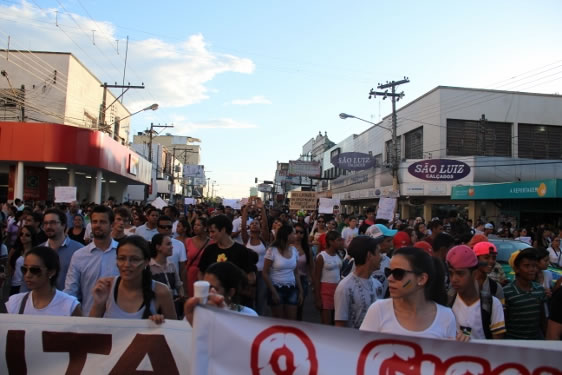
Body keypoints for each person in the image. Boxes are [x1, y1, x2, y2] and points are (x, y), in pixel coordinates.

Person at [360, 247, 456, 339]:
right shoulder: (378, 310)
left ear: (422, 279)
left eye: (398, 274)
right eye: (388, 272)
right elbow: (361, 351)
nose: (389, 278)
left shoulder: (446, 316)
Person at [89, 236, 176, 322]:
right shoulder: (107, 286)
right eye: (122, 258)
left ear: (146, 262)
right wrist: (98, 304)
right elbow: (90, 329)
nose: (126, 264)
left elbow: (173, 332)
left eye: (134, 259)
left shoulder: (161, 292)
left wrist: (160, 324)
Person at [64, 205, 120, 315]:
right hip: (88, 319)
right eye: (95, 222)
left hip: (119, 321)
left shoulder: (123, 254)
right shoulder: (79, 256)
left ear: (112, 225)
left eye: (103, 222)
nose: (98, 225)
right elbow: (71, 291)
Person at [446, 245, 505, 340]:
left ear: (474, 274)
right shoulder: (446, 302)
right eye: (451, 273)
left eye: (460, 273)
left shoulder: (493, 304)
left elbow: (497, 347)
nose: (454, 279)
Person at [4, 246, 81, 316]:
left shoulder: (69, 305)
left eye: (34, 270)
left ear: (51, 272)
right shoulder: (15, 302)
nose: (28, 275)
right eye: (24, 269)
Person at [197, 215, 258, 300]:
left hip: (235, 302)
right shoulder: (209, 250)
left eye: (213, 232)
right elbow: (201, 272)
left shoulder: (241, 251)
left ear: (223, 230)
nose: (210, 235)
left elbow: (251, 278)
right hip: (213, 301)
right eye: (209, 232)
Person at [334, 236, 383, 329]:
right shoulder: (345, 287)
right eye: (378, 252)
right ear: (369, 255)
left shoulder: (378, 285)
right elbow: (340, 326)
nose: (381, 257)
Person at [504, 249, 547, 339]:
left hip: (535, 341)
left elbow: (543, 318)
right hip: (513, 343)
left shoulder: (539, 290)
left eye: (534, 266)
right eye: (527, 266)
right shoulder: (507, 292)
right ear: (516, 269)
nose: (532, 269)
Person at [262, 224, 303, 320]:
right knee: (278, 320)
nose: (296, 235)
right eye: (293, 233)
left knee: (292, 320)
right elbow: (265, 272)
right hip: (276, 288)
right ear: (287, 235)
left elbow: (296, 272)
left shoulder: (294, 250)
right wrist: (273, 291)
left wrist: (300, 290)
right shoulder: (272, 251)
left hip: (292, 288)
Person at [39, 208, 84, 291]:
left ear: (63, 225)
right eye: (45, 223)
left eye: (53, 223)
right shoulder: (38, 251)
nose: (48, 226)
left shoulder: (79, 250)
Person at [241, 199, 270, 315]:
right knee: (249, 299)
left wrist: (262, 208)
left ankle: (259, 320)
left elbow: (266, 225)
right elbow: (243, 226)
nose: (254, 225)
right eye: (252, 224)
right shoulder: (246, 238)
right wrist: (246, 210)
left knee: (260, 300)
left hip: (262, 273)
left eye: (256, 223)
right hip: (248, 274)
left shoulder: (263, 238)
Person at [314, 230, 344, 325]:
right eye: (338, 240)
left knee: (336, 322)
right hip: (325, 291)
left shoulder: (339, 255)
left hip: (337, 291)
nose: (341, 242)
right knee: (326, 323)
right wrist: (318, 298)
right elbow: (317, 278)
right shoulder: (321, 256)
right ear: (331, 242)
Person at [150, 234, 184, 315]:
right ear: (158, 247)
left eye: (171, 244)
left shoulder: (171, 266)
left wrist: (181, 295)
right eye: (168, 244)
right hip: (156, 312)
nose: (172, 247)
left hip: (173, 307)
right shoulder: (149, 267)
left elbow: (179, 285)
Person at [156, 216, 187, 291]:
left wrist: (183, 289)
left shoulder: (179, 244)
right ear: (157, 228)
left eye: (169, 227)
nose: (166, 229)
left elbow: (182, 269)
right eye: (163, 227)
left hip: (174, 287)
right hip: (155, 286)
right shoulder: (150, 244)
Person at [8, 225, 40, 295]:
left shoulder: (36, 253)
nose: (23, 236)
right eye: (21, 234)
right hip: (14, 284)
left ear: (32, 237)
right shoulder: (18, 251)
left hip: (28, 286)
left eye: (27, 235)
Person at [185, 218, 211, 297]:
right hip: (190, 275)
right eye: (195, 225)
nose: (195, 227)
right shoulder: (188, 241)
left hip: (205, 275)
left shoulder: (212, 243)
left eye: (198, 225)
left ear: (205, 228)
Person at [294, 222, 313, 321]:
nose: (298, 235)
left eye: (301, 232)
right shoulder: (288, 247)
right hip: (290, 279)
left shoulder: (306, 248)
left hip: (302, 279)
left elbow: (311, 266)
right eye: (296, 232)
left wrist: (310, 279)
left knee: (299, 307)